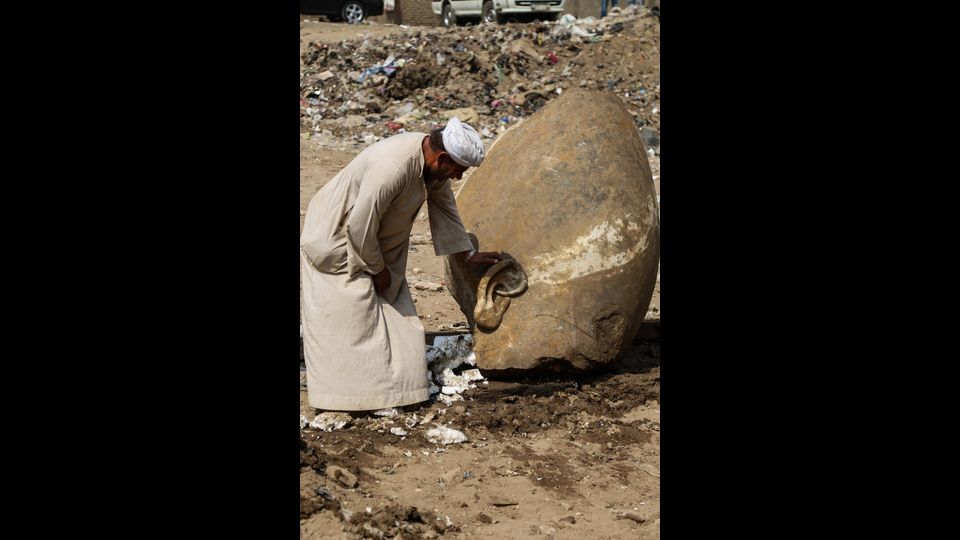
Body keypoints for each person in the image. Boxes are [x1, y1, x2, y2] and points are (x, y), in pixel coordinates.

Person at [300, 118, 502, 412]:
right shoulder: (392, 168)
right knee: (350, 325)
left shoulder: (432, 165)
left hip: (374, 247)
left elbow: (445, 209)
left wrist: (468, 255)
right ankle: (344, 400)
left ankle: (392, 393)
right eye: (459, 170)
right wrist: (378, 271)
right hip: (337, 241)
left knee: (399, 327)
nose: (458, 177)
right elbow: (358, 227)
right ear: (443, 157)